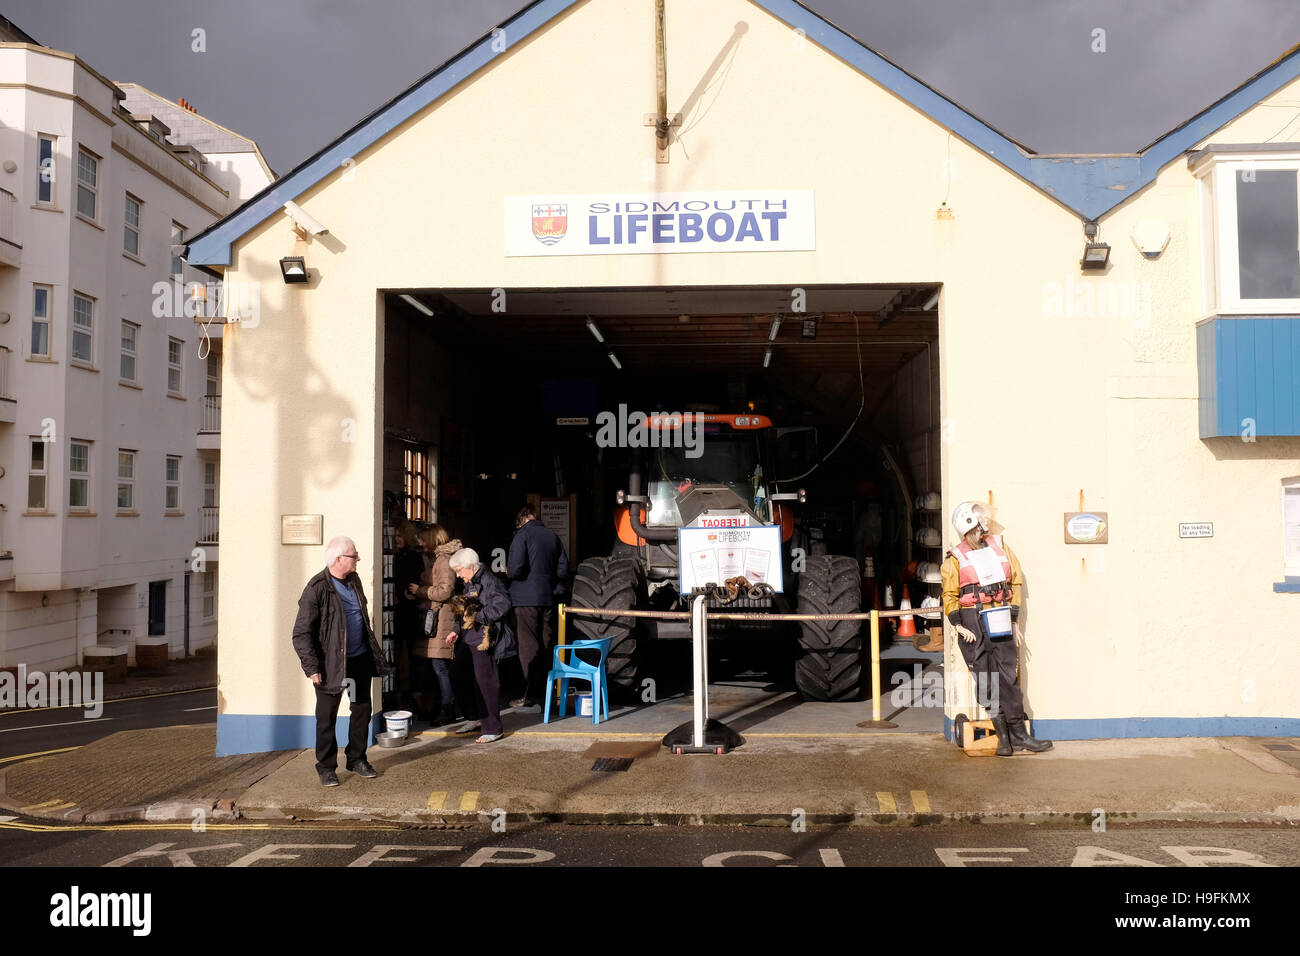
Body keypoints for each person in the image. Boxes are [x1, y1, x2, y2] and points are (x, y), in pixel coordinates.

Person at [941, 502, 1052, 756]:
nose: (985, 531)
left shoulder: (1000, 547)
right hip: (971, 621)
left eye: (984, 526)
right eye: (980, 527)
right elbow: (948, 594)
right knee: (985, 678)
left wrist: (1014, 619)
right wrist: (957, 623)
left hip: (999, 614)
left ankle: (1020, 735)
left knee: (1008, 676)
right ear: (969, 529)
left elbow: (1015, 580)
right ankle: (1003, 738)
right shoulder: (954, 559)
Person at [291, 535, 392, 786]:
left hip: (358, 661)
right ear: (338, 559)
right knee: (327, 717)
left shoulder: (354, 580)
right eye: (353, 555)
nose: (358, 559)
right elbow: (301, 633)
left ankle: (356, 758)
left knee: (361, 710)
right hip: (330, 665)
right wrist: (312, 668)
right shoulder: (317, 588)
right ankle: (326, 766)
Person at [443, 547, 515, 743]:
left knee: (486, 682)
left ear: (471, 567)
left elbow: (503, 604)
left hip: (484, 639)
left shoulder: (490, 581)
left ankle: (493, 728)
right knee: (457, 675)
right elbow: (463, 609)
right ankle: (474, 717)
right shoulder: (470, 582)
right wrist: (456, 631)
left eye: (459, 570)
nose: (458, 575)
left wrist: (479, 617)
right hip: (468, 639)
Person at [506, 505, 569, 707]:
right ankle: (546, 692)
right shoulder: (553, 537)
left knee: (527, 646)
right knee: (545, 644)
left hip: (525, 599)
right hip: (548, 598)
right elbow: (563, 569)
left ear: (522, 519)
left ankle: (529, 694)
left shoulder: (521, 536)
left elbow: (515, 569)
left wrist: (508, 572)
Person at [409, 524, 461, 724]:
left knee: (440, 667)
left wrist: (420, 591)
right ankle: (440, 707)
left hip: (440, 620)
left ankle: (447, 709)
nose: (420, 543)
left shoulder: (443, 561)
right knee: (434, 667)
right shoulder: (436, 560)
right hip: (434, 619)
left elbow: (445, 591)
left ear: (432, 539)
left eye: (423, 539)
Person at [391, 520, 425, 708]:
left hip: (409, 611)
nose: (397, 539)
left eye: (400, 535)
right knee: (400, 656)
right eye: (395, 535)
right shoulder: (399, 557)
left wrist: (409, 593)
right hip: (403, 610)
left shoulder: (411, 558)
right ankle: (404, 693)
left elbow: (413, 580)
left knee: (411, 656)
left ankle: (411, 693)